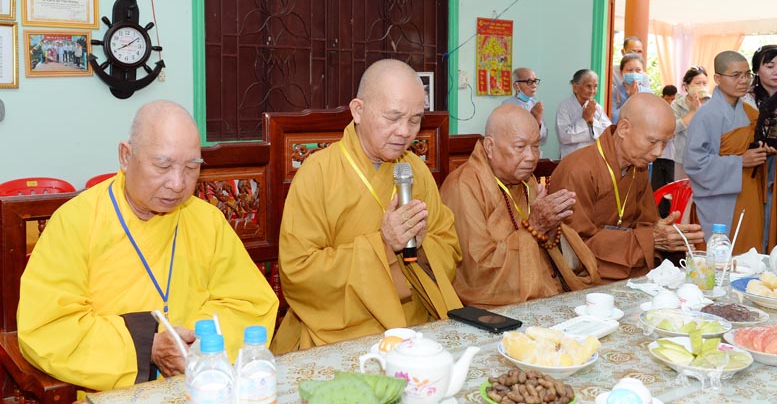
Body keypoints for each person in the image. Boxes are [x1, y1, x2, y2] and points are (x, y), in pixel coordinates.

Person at [17, 100, 279, 391]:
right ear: (125, 156)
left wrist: (197, 345)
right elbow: (48, 328)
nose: (177, 184)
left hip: (200, 382)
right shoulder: (76, 222)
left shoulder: (207, 220)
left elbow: (251, 305)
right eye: (163, 166)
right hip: (111, 390)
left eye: (191, 167)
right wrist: (146, 347)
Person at [271, 59, 462, 354]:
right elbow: (298, 273)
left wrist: (421, 246)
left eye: (415, 120)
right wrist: (383, 245)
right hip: (337, 334)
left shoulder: (416, 170)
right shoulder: (317, 173)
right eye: (393, 118)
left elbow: (448, 246)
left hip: (413, 328)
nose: (405, 132)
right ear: (358, 111)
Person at [440, 104, 599, 308]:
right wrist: (534, 228)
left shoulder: (527, 181)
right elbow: (477, 272)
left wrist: (550, 228)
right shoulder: (463, 187)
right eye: (520, 147)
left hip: (544, 290)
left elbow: (548, 248)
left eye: (535, 146)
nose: (531, 157)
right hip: (494, 306)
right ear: (489, 147)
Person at [549, 93, 704, 282]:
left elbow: (647, 224)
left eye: (665, 143)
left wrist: (663, 232)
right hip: (587, 277)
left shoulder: (638, 167)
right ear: (623, 128)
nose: (658, 152)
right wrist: (649, 239)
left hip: (630, 269)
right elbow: (574, 248)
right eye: (652, 142)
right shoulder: (578, 170)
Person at [683, 51, 774, 252]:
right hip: (719, 200)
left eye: (747, 74)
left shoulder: (751, 113)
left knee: (749, 253)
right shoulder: (705, 116)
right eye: (736, 75)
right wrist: (740, 161)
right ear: (717, 78)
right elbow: (694, 163)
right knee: (720, 255)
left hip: (750, 193)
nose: (743, 81)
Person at [744, 45, 777, 245]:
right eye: (770, 66)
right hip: (755, 169)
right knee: (760, 222)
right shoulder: (746, 101)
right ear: (757, 70)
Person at [555, 69, 612, 158]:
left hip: (593, 158)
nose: (592, 91)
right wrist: (584, 120)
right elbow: (564, 137)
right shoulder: (564, 107)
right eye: (588, 86)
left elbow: (608, 134)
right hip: (571, 158)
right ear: (575, 87)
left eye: (595, 86)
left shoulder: (597, 108)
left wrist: (592, 121)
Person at [671, 66, 711, 179]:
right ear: (687, 86)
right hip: (682, 159)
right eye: (698, 83)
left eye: (704, 83)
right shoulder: (677, 104)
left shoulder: (712, 103)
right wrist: (693, 112)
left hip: (706, 158)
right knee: (683, 188)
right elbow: (673, 128)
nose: (702, 87)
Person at [501, 67, 548, 147]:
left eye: (535, 81)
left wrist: (538, 122)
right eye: (529, 82)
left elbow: (543, 138)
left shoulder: (535, 104)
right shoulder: (507, 105)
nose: (534, 85)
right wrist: (532, 121)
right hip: (515, 152)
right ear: (516, 86)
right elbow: (510, 135)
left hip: (533, 151)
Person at [611, 53, 652, 124]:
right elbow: (613, 119)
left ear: (643, 72)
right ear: (621, 72)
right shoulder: (614, 92)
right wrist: (631, 99)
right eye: (629, 70)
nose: (634, 73)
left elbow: (652, 118)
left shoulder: (649, 93)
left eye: (638, 70)